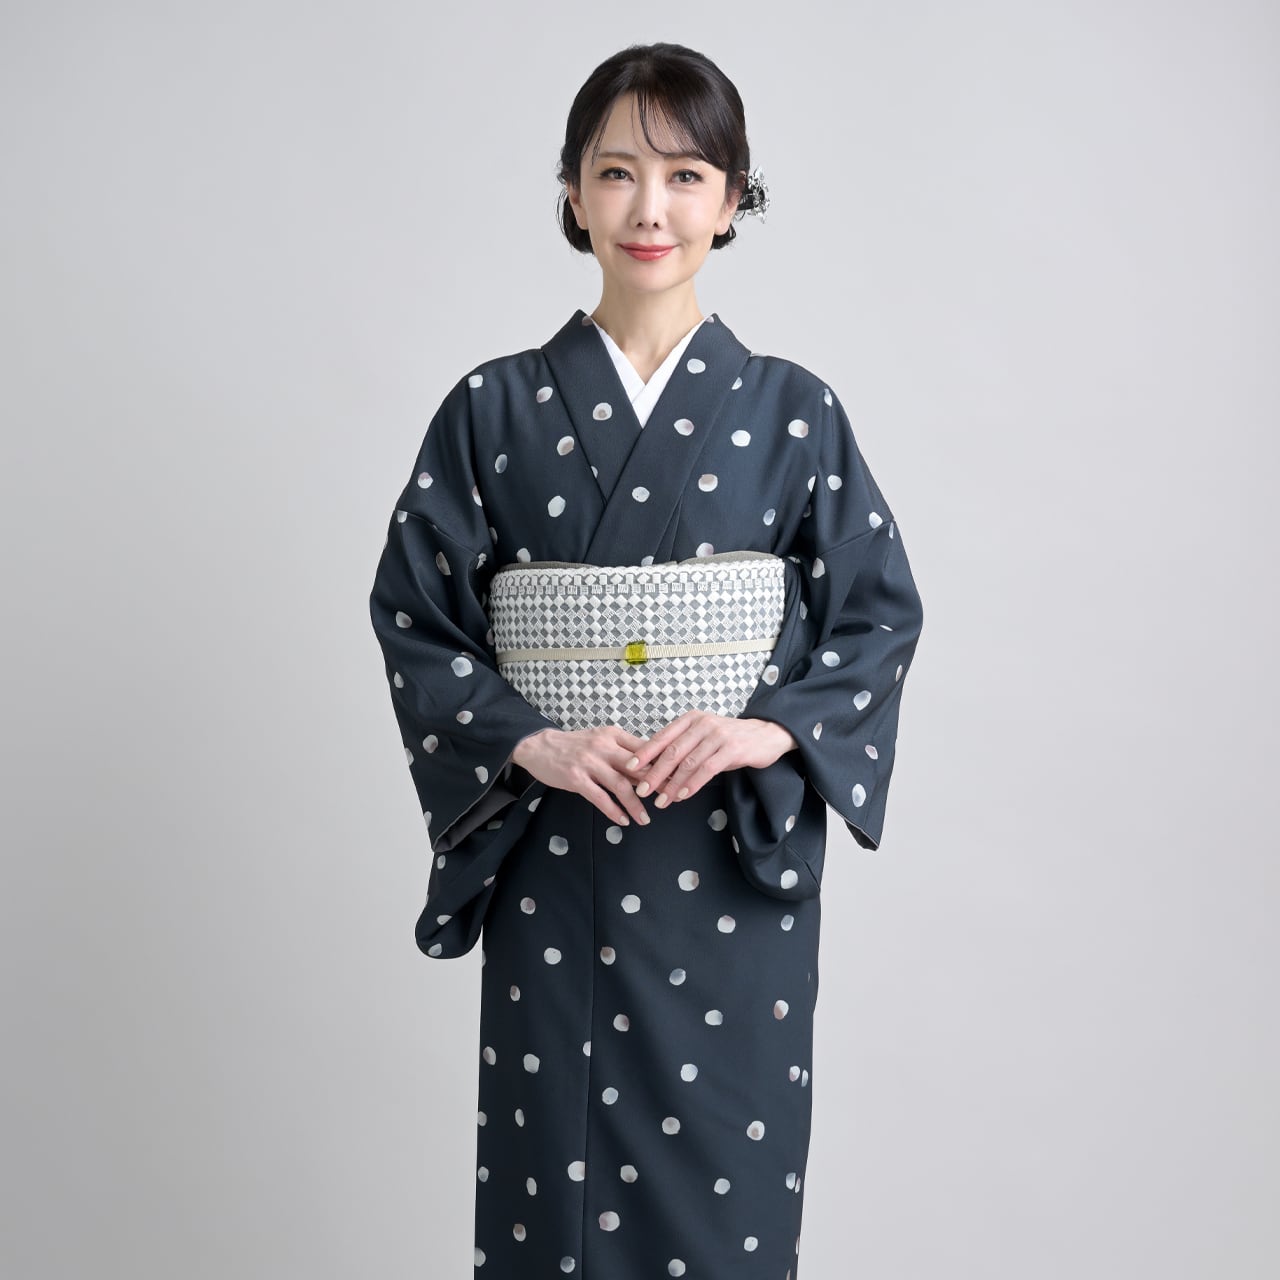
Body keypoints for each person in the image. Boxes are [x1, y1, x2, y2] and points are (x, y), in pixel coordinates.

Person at [368, 40, 925, 1279]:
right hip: (556, 855)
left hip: (724, 857)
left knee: (728, 1194)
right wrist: (529, 739)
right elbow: (415, 612)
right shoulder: (490, 407)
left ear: (731, 200)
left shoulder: (792, 409)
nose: (648, 208)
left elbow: (876, 613)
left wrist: (767, 727)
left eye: (684, 176)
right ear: (572, 192)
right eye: (616, 172)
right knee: (548, 1204)